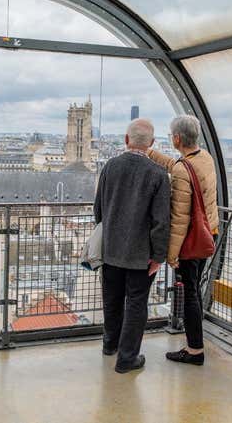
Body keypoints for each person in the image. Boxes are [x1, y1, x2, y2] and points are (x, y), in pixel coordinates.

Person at [94, 118, 170, 373]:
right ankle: (127, 358)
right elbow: (161, 221)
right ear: (151, 144)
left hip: (111, 249)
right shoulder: (159, 174)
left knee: (111, 299)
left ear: (126, 140)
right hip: (141, 255)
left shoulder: (110, 167)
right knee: (136, 304)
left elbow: (99, 209)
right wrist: (159, 256)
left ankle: (109, 344)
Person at [148, 114, 219, 366]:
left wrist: (171, 254)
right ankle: (195, 344)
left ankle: (194, 350)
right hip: (208, 234)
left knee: (189, 294)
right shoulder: (205, 158)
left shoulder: (183, 168)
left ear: (177, 138)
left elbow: (179, 218)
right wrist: (152, 154)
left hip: (190, 241)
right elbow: (180, 167)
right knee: (196, 291)